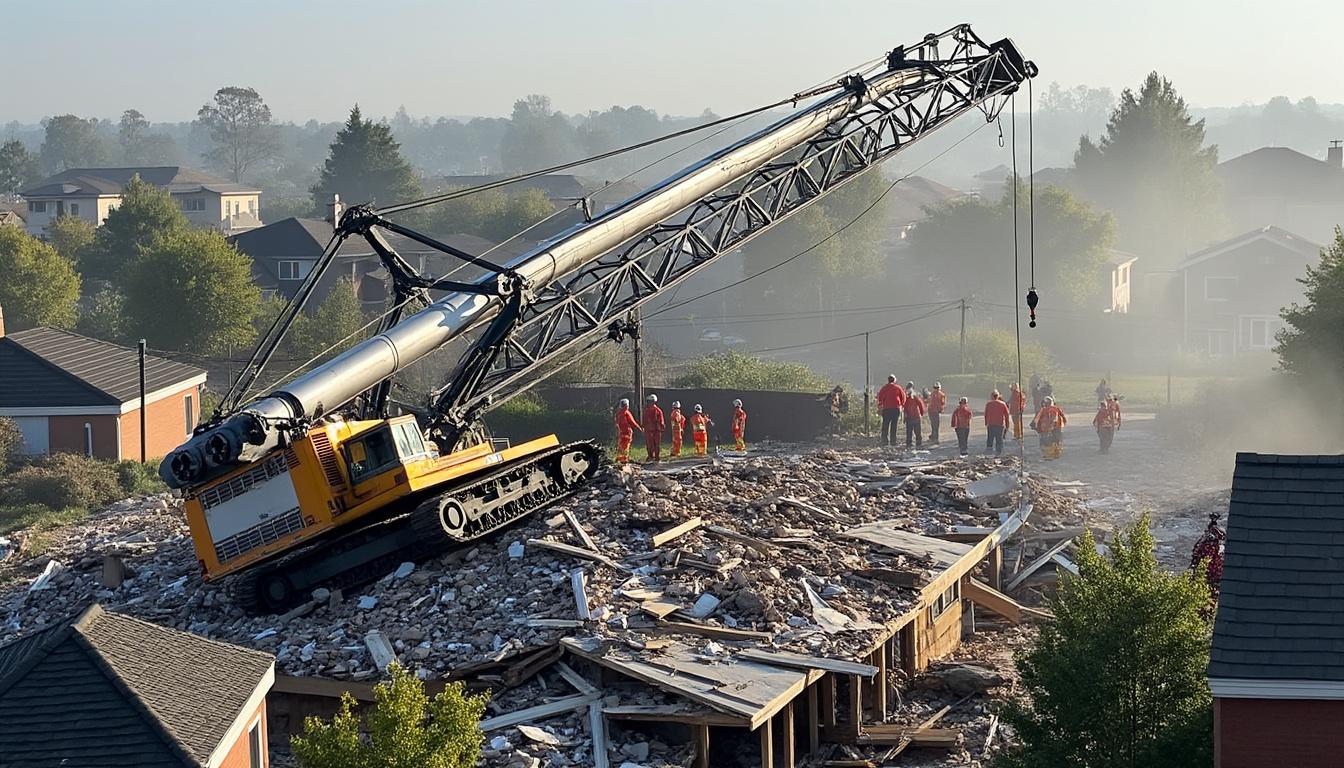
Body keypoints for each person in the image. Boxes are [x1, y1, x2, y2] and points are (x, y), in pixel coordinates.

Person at [1032, 395, 1067, 460]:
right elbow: (1063, 416)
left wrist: (1036, 425)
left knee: (1048, 441)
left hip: (1048, 426)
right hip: (1058, 426)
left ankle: (1050, 455)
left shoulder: (1045, 410)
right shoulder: (1056, 408)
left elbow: (1038, 418)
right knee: (1056, 440)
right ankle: (1056, 453)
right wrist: (1064, 422)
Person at [876, 375, 906, 447]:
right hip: (895, 409)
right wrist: (902, 405)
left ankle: (884, 441)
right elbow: (903, 397)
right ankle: (893, 441)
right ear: (894, 380)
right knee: (894, 425)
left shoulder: (884, 388)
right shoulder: (898, 388)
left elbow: (880, 397)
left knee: (885, 425)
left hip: (886, 409)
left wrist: (880, 405)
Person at [614, 398, 642, 463]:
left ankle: (620, 458)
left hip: (621, 433)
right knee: (626, 446)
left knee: (621, 445)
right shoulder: (626, 413)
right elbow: (632, 422)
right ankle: (624, 459)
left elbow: (616, 423)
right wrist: (639, 428)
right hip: (627, 432)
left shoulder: (618, 413)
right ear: (627, 405)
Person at [984, 390, 1010, 455]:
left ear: (992, 396)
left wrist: (986, 422)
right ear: (998, 396)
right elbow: (1007, 415)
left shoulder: (988, 404)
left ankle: (989, 450)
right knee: (999, 438)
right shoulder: (1003, 404)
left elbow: (986, 414)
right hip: (1000, 424)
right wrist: (1007, 425)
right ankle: (998, 451)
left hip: (991, 423)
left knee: (990, 437)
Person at [641, 393, 665, 463]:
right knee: (651, 444)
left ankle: (655, 457)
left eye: (650, 401)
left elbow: (661, 420)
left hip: (655, 430)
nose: (649, 403)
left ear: (654, 401)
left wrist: (661, 426)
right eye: (648, 401)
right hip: (651, 430)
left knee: (655, 444)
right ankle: (652, 456)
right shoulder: (654, 410)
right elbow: (644, 420)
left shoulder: (656, 410)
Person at [903, 382, 926, 448]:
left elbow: (905, 409)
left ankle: (909, 443)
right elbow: (920, 405)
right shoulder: (915, 397)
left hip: (910, 417)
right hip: (916, 416)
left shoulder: (907, 398)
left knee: (909, 431)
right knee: (917, 431)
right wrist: (921, 413)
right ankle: (918, 443)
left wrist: (904, 418)